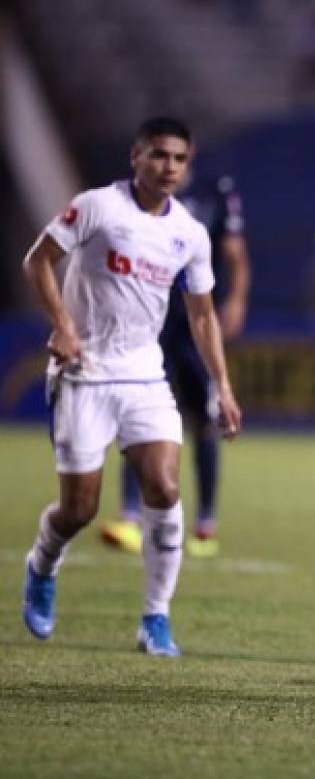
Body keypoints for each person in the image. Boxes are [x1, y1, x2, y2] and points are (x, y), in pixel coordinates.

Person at [19, 117, 243, 656]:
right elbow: (38, 261)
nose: (169, 167)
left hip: (145, 376)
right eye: (159, 156)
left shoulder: (188, 233)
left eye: (179, 159)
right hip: (83, 375)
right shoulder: (97, 207)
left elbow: (204, 317)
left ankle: (156, 618)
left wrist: (224, 386)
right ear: (135, 156)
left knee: (164, 489)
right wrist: (64, 327)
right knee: (79, 510)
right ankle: (42, 565)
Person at [101, 173, 251, 559]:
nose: (170, 164)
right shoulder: (131, 198)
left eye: (178, 156)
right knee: (139, 415)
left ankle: (205, 524)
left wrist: (235, 301)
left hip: (195, 322)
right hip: (152, 320)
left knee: (206, 420)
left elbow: (234, 253)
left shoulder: (215, 191)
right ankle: (130, 518)